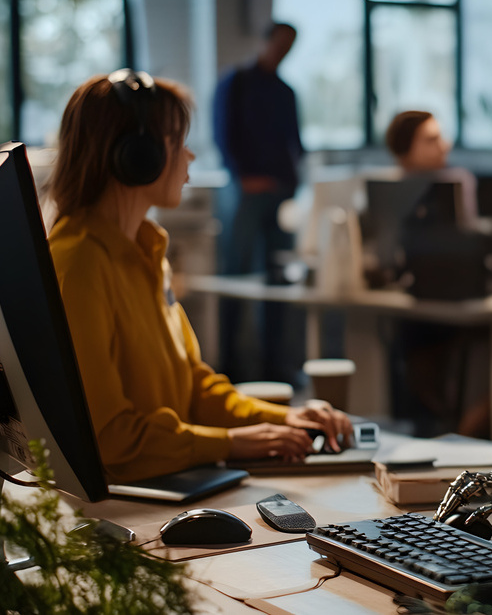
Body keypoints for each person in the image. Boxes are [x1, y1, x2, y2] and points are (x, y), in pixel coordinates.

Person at [45, 70, 352, 484]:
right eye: (177, 142)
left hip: (167, 479)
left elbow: (193, 386)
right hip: (124, 502)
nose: (189, 157)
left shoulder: (146, 250)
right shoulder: (78, 263)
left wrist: (286, 418)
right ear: (138, 155)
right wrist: (230, 443)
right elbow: (110, 439)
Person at [382, 111, 492, 467]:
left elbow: (470, 247)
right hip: (423, 302)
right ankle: (459, 430)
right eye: (430, 139)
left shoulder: (457, 182)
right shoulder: (389, 189)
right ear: (404, 148)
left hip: (465, 296)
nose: (443, 146)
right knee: (417, 341)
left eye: (441, 137)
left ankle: (473, 430)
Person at [213, 22, 303, 384]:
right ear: (265, 41)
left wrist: (293, 184)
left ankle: (275, 365)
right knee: (236, 273)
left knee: (279, 276)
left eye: (289, 46)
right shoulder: (235, 83)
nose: (282, 51)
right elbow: (223, 136)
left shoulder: (285, 92)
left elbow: (295, 143)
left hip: (281, 193)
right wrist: (244, 177)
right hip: (245, 191)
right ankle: (231, 365)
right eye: (279, 43)